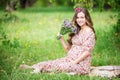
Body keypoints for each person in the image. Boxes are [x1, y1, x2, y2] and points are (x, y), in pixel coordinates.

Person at [20, 7, 96, 75]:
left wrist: (74, 62)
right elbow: (68, 50)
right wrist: (61, 38)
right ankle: (32, 67)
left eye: (82, 17)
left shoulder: (89, 32)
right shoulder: (77, 30)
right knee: (51, 63)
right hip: (69, 59)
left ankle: (44, 72)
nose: (79, 20)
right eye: (78, 17)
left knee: (60, 67)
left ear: (87, 18)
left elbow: (87, 52)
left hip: (81, 64)